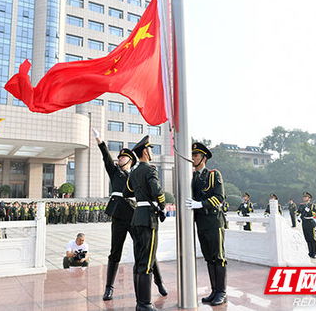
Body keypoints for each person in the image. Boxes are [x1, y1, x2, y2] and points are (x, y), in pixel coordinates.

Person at [93, 129, 167, 301]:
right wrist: (100, 141)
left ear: (131, 160)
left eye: (122, 157)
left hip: (134, 216)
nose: (119, 159)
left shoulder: (134, 174)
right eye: (118, 157)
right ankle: (109, 288)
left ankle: (159, 281)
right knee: (115, 252)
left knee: (145, 251)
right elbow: (106, 157)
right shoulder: (115, 173)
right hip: (119, 216)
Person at [124, 135, 166, 311]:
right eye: (150, 149)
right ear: (145, 152)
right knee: (147, 262)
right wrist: (161, 205)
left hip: (136, 218)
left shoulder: (133, 172)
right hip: (148, 218)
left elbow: (128, 192)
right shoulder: (150, 170)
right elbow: (157, 190)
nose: (151, 152)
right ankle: (145, 304)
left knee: (139, 261)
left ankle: (139, 302)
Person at [185, 142, 227, 306]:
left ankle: (222, 291)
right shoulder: (194, 177)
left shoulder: (213, 174)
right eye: (193, 155)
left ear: (203, 158)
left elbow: (219, 197)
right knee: (209, 258)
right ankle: (214, 290)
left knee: (218, 257)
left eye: (195, 155)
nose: (193, 158)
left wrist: (200, 204)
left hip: (214, 221)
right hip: (201, 222)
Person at [297, 192, 316, 258]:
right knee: (307, 238)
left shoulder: (312, 205)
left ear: (309, 198)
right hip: (304, 222)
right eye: (304, 197)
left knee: (312, 238)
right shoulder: (301, 205)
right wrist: (298, 216)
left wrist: (309, 211)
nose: (304, 198)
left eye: (306, 197)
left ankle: (314, 253)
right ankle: (310, 252)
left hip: (310, 222)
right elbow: (298, 212)